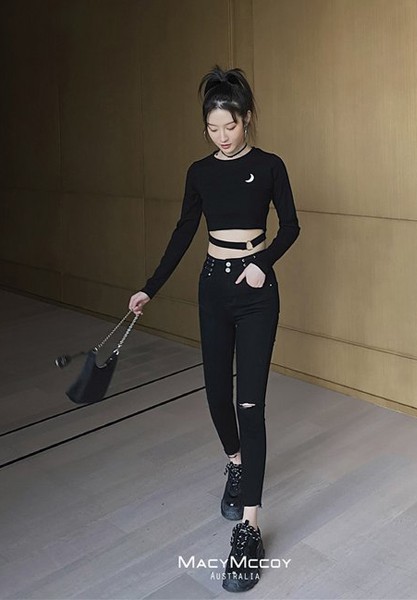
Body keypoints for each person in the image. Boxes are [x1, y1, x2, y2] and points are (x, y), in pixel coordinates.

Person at [129, 65, 300, 593]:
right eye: (212, 129)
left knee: (250, 404)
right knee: (215, 395)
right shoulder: (199, 172)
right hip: (213, 288)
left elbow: (291, 226)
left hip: (256, 292)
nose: (222, 137)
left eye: (230, 126)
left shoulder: (269, 166)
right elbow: (184, 232)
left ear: (246, 119)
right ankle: (235, 463)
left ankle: (249, 527)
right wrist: (150, 288)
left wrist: (263, 262)